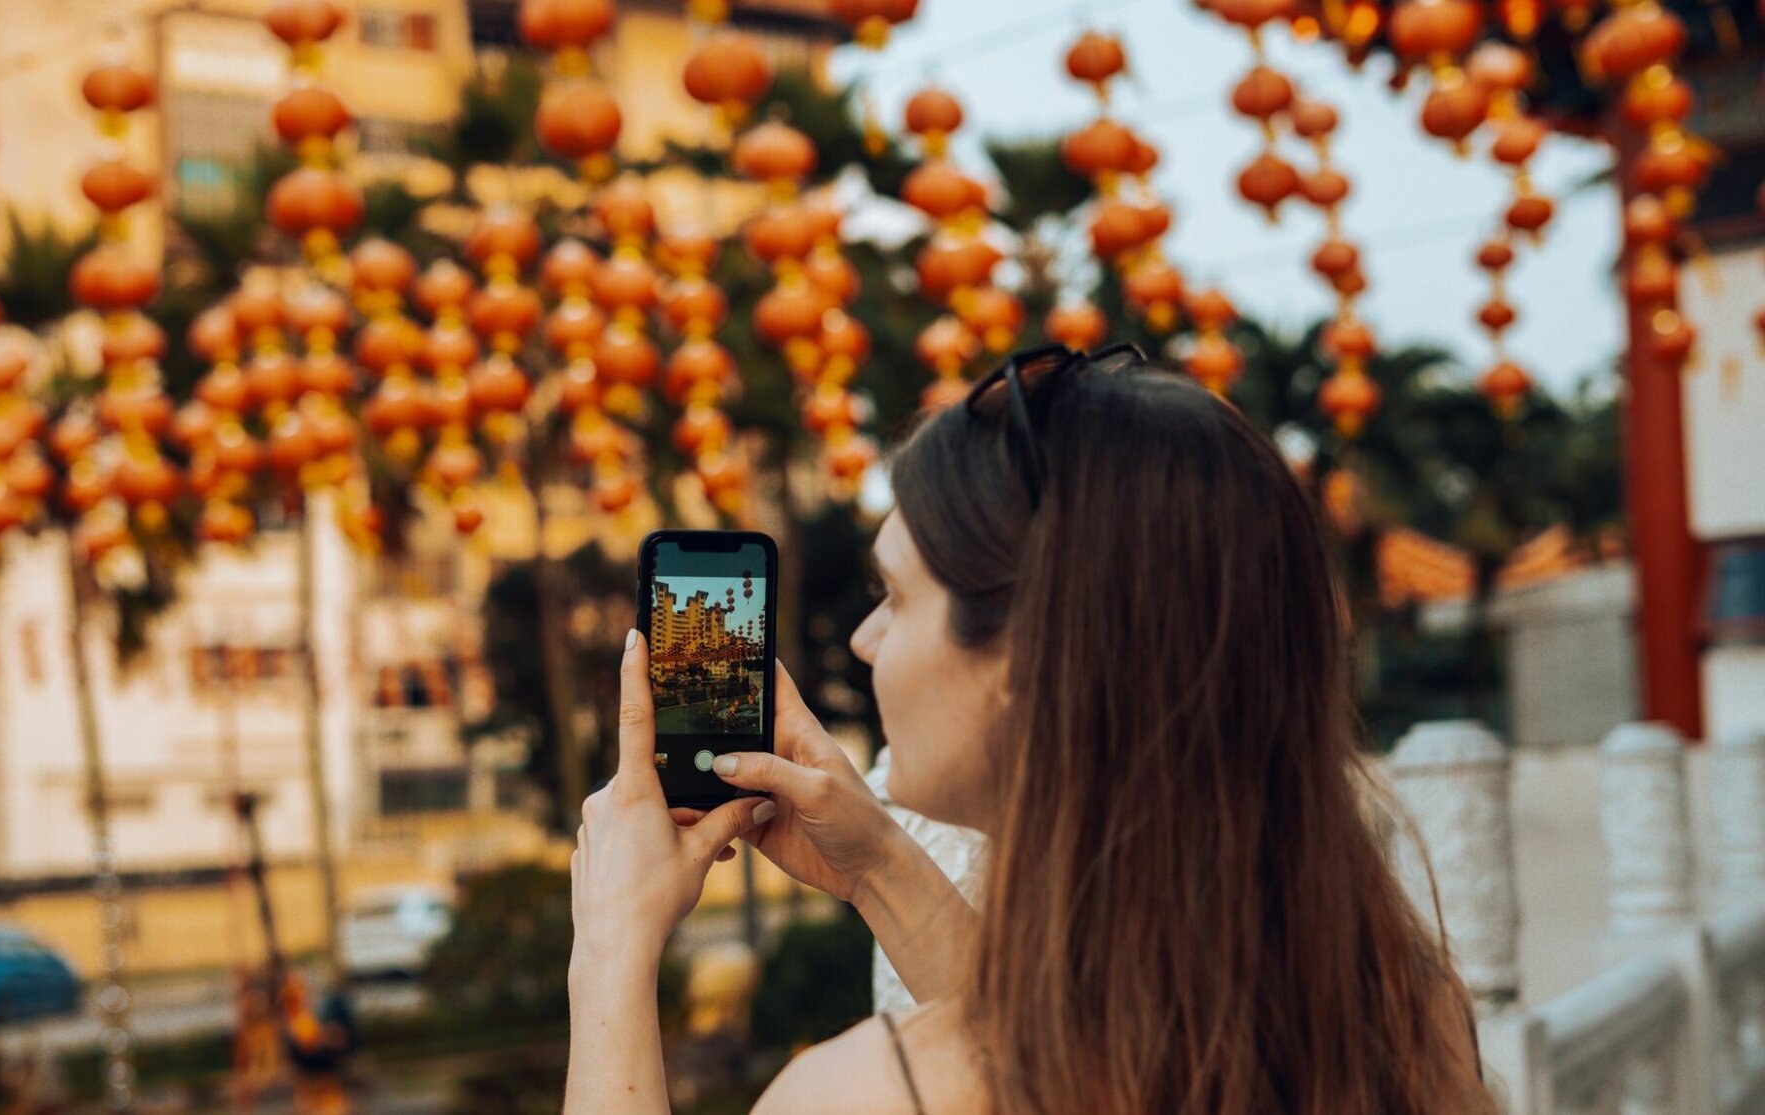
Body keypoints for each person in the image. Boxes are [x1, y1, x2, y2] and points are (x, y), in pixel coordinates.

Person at [566, 345, 1496, 1114]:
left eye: (894, 596)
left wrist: (612, 944)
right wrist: (877, 865)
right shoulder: (1404, 1017)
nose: (863, 638)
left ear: (1026, 665)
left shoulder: (867, 1096)